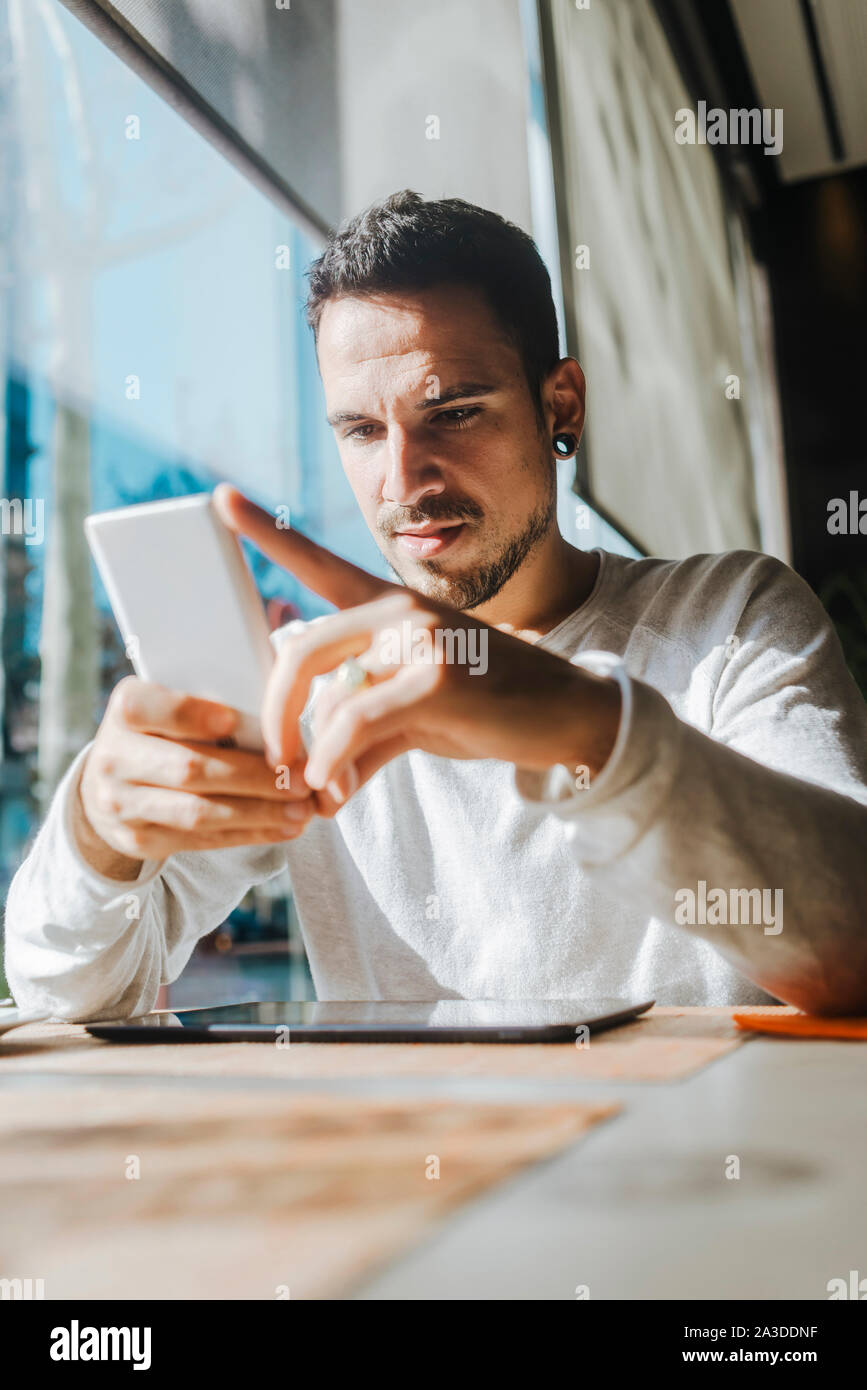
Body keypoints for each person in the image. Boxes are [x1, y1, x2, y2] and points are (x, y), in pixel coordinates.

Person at [5, 190, 867, 1020]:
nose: (404, 480)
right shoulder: (308, 684)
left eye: (452, 412)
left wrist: (585, 726)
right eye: (361, 431)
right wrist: (97, 834)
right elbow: (69, 993)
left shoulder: (727, 618)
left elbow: (852, 948)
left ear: (558, 404)